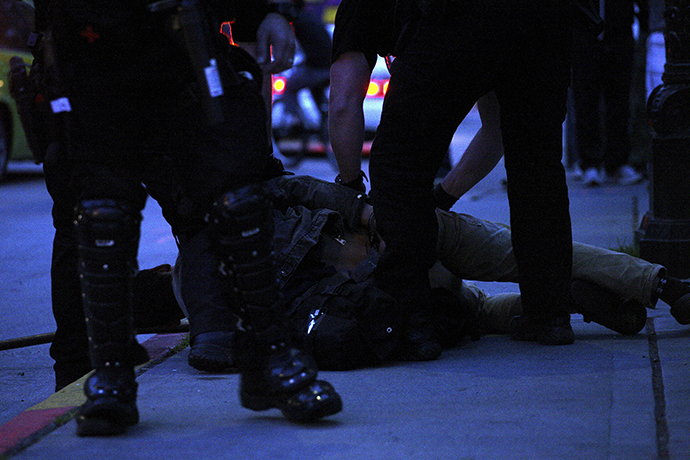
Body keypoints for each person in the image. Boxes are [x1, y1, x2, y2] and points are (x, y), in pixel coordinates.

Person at [31, 0, 341, 436]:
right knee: (100, 214)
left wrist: (266, 10)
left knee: (238, 201)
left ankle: (272, 358)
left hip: (181, 36)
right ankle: (109, 376)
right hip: (87, 44)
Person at [177, 174, 690, 371]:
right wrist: (364, 211)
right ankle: (662, 284)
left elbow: (258, 327)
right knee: (528, 252)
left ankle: (574, 299)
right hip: (389, 237)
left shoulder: (196, 276)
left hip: (384, 273)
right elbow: (301, 188)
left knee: (477, 311)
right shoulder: (239, 196)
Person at [365, 0, 578, 350]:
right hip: (544, 22)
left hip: (456, 18)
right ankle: (549, 314)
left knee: (399, 162)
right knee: (538, 168)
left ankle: (413, 319)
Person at [571, 0, 644, 186]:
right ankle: (592, 161)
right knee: (587, 100)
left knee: (618, 99)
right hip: (588, 35)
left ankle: (614, 160)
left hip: (616, 33)